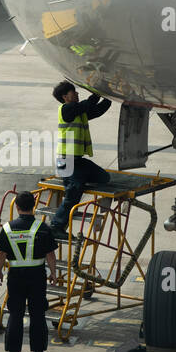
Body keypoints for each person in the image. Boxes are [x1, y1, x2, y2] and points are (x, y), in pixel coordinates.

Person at [0, 190, 60, 352]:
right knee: (37, 314)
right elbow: (50, 254)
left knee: (15, 313)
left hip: (16, 276)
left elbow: (1, 253)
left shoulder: (7, 228)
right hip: (36, 275)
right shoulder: (42, 228)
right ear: (34, 206)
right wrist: (53, 273)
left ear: (17, 207)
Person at [51, 81, 112, 236]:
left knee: (104, 178)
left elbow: (96, 110)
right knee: (73, 192)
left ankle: (77, 180)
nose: (77, 94)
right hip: (67, 161)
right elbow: (87, 104)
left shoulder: (78, 112)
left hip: (77, 161)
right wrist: (99, 91)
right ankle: (56, 226)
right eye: (74, 92)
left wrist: (109, 97)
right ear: (65, 97)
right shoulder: (67, 110)